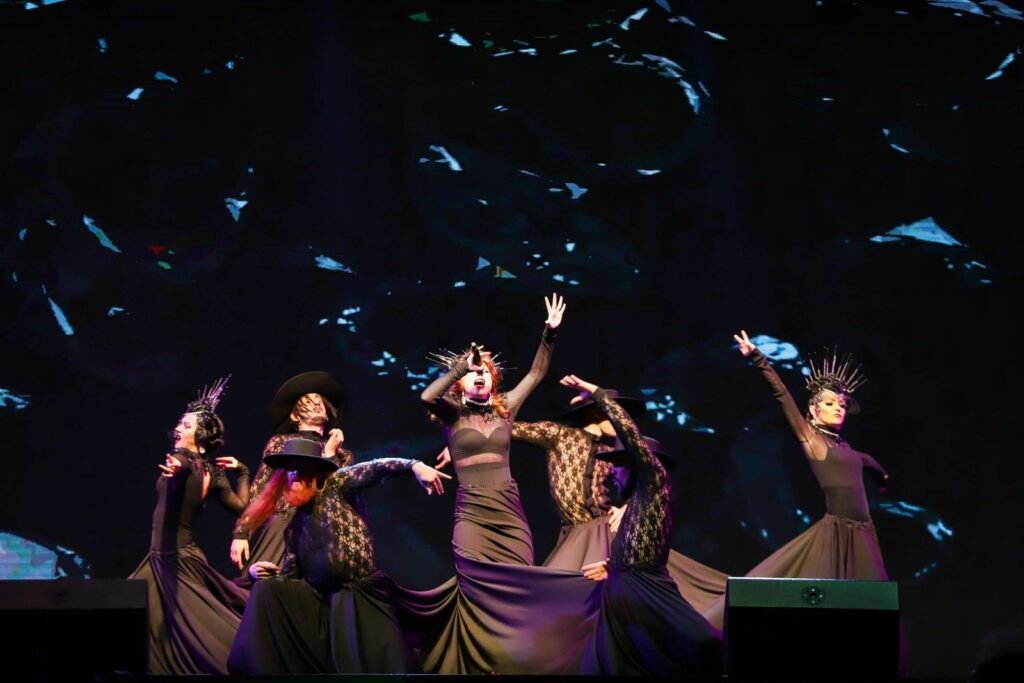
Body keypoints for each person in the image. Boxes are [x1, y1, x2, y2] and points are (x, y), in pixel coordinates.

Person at [393, 294, 605, 675]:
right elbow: (427, 395)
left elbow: (536, 375)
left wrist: (549, 334)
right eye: (473, 374)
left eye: (485, 372)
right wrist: (460, 367)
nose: (479, 376)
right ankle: (480, 665)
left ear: (493, 380)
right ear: (462, 384)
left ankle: (517, 665)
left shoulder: (506, 408)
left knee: (518, 590)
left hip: (509, 515)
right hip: (472, 514)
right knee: (478, 591)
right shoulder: (452, 414)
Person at [435, 388, 727, 611]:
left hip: (599, 528)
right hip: (573, 533)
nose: (620, 421)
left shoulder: (617, 450)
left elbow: (647, 482)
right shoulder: (561, 435)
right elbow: (506, 430)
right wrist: (461, 449)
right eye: (613, 413)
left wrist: (627, 508)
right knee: (550, 599)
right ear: (595, 414)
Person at [702, 331, 890, 629]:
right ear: (813, 411)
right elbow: (781, 396)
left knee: (873, 604)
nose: (839, 407)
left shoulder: (844, 447)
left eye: (841, 404)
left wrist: (878, 471)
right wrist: (757, 357)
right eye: (830, 403)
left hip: (864, 532)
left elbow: (862, 460)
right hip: (838, 530)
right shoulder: (811, 438)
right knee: (831, 602)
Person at [228, 437, 450, 674]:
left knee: (388, 663)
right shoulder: (294, 527)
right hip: (324, 602)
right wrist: (261, 574)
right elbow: (292, 573)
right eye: (289, 469)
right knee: (267, 590)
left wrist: (413, 466)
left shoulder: (336, 484)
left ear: (317, 471)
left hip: (360, 595)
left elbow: (377, 467)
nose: (294, 474)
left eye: (301, 468)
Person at [557, 375, 721, 676]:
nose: (613, 472)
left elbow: (629, 434)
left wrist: (598, 394)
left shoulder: (654, 484)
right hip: (622, 590)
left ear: (639, 465)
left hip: (648, 590)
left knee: (706, 646)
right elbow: (639, 544)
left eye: (620, 464)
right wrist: (613, 565)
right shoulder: (634, 503)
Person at [128, 377, 252, 675]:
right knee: (150, 621)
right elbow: (242, 507)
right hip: (171, 557)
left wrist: (177, 469)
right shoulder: (211, 471)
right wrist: (244, 472)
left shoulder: (184, 462)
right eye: (180, 424)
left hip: (173, 560)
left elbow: (183, 467)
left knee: (198, 629)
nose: (178, 429)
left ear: (199, 435)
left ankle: (248, 660)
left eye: (185, 425)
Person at [229, 371, 349, 585]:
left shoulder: (342, 454)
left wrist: (331, 454)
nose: (316, 405)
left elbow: (335, 493)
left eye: (320, 402)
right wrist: (241, 533)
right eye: (309, 402)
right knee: (264, 587)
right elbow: (260, 488)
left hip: (321, 530)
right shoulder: (281, 443)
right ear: (295, 416)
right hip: (284, 524)